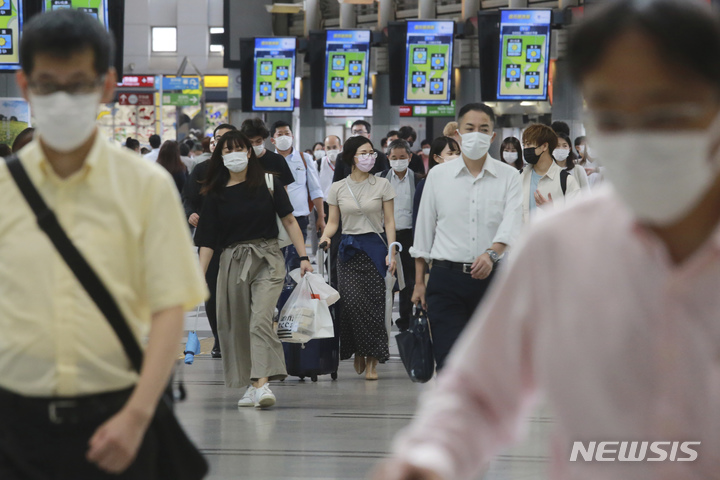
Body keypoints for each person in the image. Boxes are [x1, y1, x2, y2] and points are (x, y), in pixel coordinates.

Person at [376, 2, 720, 479]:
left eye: (665, 110)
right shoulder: (562, 245)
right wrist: (429, 458)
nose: (638, 137)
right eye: (612, 118)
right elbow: (479, 391)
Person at [0, 9, 207, 479]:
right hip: (14, 426)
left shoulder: (145, 186)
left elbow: (170, 308)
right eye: (48, 84)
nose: (63, 98)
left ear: (106, 84)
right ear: (26, 86)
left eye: (78, 83)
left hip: (118, 417)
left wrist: (136, 417)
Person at [195, 131, 313, 409]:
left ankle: (262, 384)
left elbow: (289, 220)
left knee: (260, 318)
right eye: (227, 150)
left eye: (239, 148)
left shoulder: (269, 182)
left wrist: (304, 256)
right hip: (231, 260)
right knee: (237, 325)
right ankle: (251, 384)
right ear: (220, 155)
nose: (234, 154)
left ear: (249, 152)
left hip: (268, 258)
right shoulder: (214, 193)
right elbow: (207, 239)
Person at [410, 103, 523, 370]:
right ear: (458, 133)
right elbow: (424, 229)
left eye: (484, 129)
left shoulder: (509, 177)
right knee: (450, 364)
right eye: (470, 128)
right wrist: (418, 282)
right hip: (445, 281)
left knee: (489, 365)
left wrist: (492, 253)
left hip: (493, 283)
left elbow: (513, 222)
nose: (476, 134)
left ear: (492, 136)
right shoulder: (438, 176)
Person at [320, 136, 397, 381]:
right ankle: (359, 349)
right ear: (352, 157)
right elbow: (333, 223)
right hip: (349, 251)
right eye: (364, 153)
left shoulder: (382, 185)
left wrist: (392, 251)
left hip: (376, 250)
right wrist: (325, 237)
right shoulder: (338, 188)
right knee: (351, 305)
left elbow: (389, 221)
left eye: (372, 153)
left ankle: (373, 360)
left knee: (376, 308)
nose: (369, 157)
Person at [181, 123, 237, 359]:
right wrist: (191, 212)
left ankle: (237, 338)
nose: (221, 143)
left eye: (227, 139)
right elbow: (188, 198)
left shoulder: (243, 170)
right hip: (210, 240)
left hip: (239, 239)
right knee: (212, 291)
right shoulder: (202, 169)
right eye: (217, 139)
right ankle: (219, 340)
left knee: (237, 292)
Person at [376, 139, 420, 332]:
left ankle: (406, 322)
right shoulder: (380, 178)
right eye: (394, 157)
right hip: (385, 237)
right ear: (388, 158)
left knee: (408, 282)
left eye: (403, 157)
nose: (399, 161)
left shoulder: (418, 180)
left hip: (410, 236)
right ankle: (383, 320)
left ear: (410, 157)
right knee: (385, 279)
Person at [271, 120, 326, 272]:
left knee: (296, 262)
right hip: (274, 220)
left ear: (293, 136)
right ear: (272, 139)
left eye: (287, 133)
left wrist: (321, 217)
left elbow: (315, 190)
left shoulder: (304, 159)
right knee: (277, 264)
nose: (284, 137)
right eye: (279, 134)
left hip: (299, 219)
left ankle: (294, 294)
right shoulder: (269, 161)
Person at [520, 124, 580, 223]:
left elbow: (578, 219)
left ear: (544, 146)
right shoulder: (519, 177)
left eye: (529, 144)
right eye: (524, 145)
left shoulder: (566, 181)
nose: (526, 149)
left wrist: (553, 210)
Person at [412, 136, 461, 229]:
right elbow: (419, 221)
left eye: (458, 153)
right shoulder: (424, 185)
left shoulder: (463, 182)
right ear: (436, 158)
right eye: (450, 153)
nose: (456, 157)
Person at [240, 118, 295, 188]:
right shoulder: (241, 160)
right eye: (250, 142)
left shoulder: (277, 160)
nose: (255, 145)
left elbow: (284, 190)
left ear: (264, 139)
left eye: (258, 141)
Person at [319, 134, 342, 199]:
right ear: (324, 149)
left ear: (340, 147)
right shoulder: (318, 164)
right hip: (324, 204)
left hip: (342, 203)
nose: (331, 150)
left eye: (334, 147)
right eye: (328, 148)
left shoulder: (347, 164)